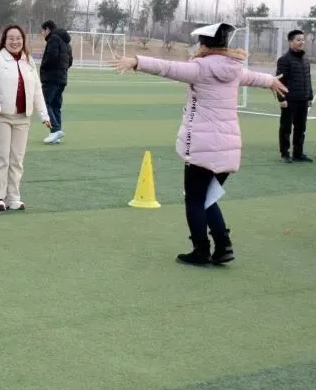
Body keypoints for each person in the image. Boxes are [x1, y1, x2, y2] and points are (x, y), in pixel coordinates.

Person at [117, 22, 287, 266]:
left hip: (202, 145)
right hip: (228, 147)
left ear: (204, 45)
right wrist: (271, 81)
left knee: (195, 199)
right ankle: (223, 246)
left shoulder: (200, 68)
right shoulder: (234, 68)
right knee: (208, 198)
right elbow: (255, 77)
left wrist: (136, 61)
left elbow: (167, 68)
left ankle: (201, 250)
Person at [0, 24, 51, 211]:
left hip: (22, 118)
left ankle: (13, 197)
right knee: (1, 158)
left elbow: (37, 89)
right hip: (1, 117)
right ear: (4, 40)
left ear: (23, 40)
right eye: (11, 38)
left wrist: (44, 114)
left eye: (18, 38)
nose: (15, 42)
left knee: (16, 159)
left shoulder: (28, 60)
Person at [276, 29, 313, 163]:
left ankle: (298, 154)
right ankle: (285, 154)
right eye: (298, 40)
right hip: (289, 100)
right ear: (290, 42)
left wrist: (309, 97)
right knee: (286, 128)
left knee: (301, 128)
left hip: (303, 100)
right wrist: (281, 99)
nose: (301, 42)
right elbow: (279, 81)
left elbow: (308, 79)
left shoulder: (306, 60)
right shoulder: (284, 60)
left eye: (303, 40)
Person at [39, 20, 73, 145]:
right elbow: (70, 61)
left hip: (51, 77)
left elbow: (51, 58)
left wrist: (44, 68)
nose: (42, 33)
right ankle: (57, 135)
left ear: (47, 29)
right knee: (56, 106)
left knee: (45, 103)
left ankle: (55, 130)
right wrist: (62, 70)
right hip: (62, 77)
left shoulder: (53, 39)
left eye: (42, 31)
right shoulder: (65, 41)